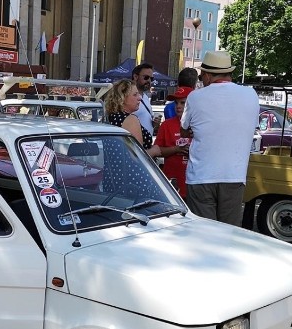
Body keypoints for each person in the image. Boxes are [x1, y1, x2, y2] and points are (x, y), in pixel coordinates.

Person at [179, 50, 259, 225]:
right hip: (234, 176)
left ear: (207, 75)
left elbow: (184, 130)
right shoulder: (251, 95)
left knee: (203, 233)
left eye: (201, 77)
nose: (201, 80)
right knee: (229, 234)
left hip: (201, 176)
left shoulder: (195, 97)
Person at [104, 79, 161, 157]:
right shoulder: (130, 120)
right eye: (135, 94)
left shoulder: (111, 117)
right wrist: (154, 151)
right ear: (122, 98)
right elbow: (137, 156)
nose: (140, 98)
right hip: (129, 168)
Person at [153, 88, 191, 197]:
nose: (178, 106)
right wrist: (177, 149)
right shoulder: (167, 125)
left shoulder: (199, 124)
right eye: (176, 103)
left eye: (183, 103)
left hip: (194, 185)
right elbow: (157, 150)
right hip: (173, 184)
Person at [130, 62, 156, 136]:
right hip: (133, 143)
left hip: (145, 144)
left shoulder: (145, 97)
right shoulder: (127, 96)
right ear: (135, 77)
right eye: (146, 77)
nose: (149, 81)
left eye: (151, 78)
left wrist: (154, 123)